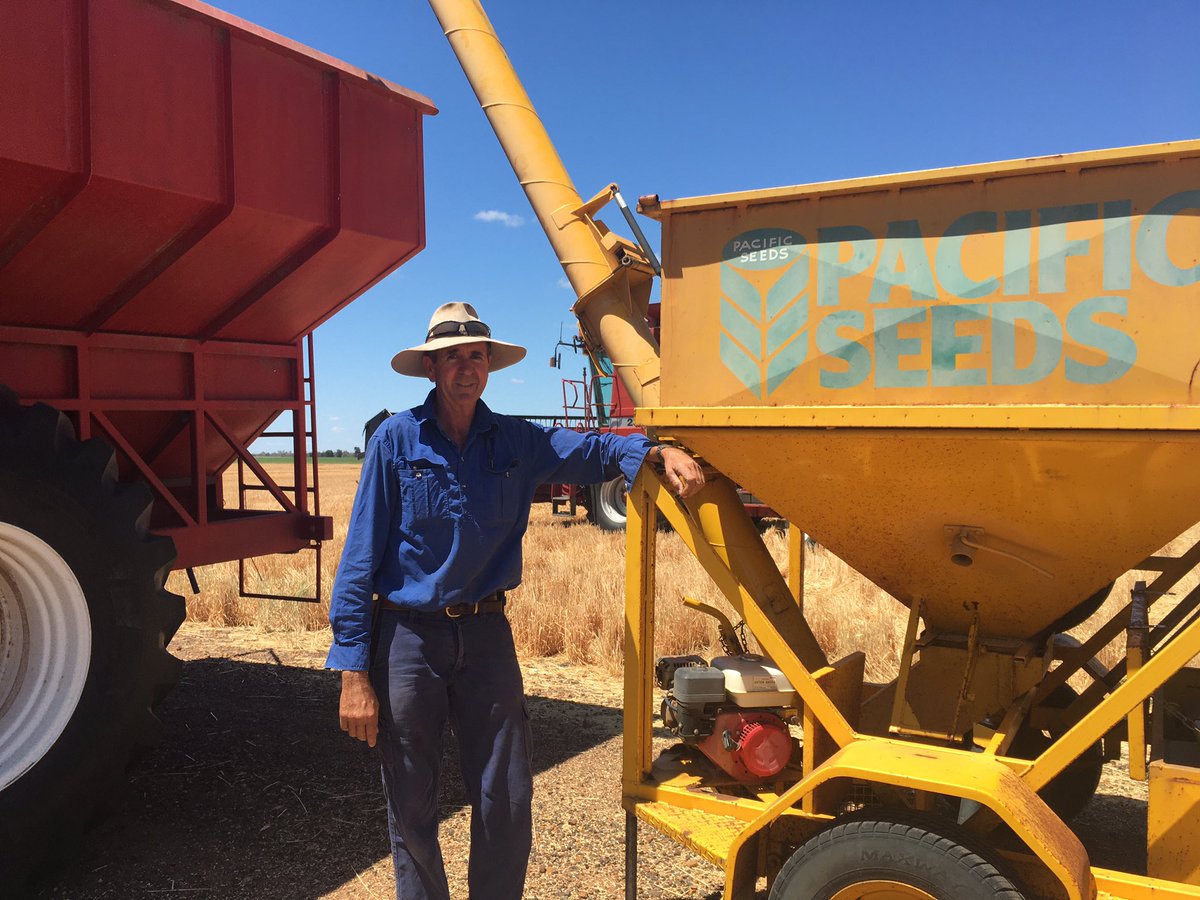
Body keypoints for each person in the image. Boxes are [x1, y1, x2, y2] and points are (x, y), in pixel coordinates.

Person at [326, 301, 704, 900]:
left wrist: (656, 451)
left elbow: (596, 451)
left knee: (505, 793)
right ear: (432, 368)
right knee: (411, 797)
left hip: (485, 636)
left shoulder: (517, 441)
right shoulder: (396, 441)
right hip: (406, 639)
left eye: (476, 355)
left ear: (488, 366)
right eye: (452, 357)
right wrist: (352, 668)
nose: (466, 368)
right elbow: (360, 557)